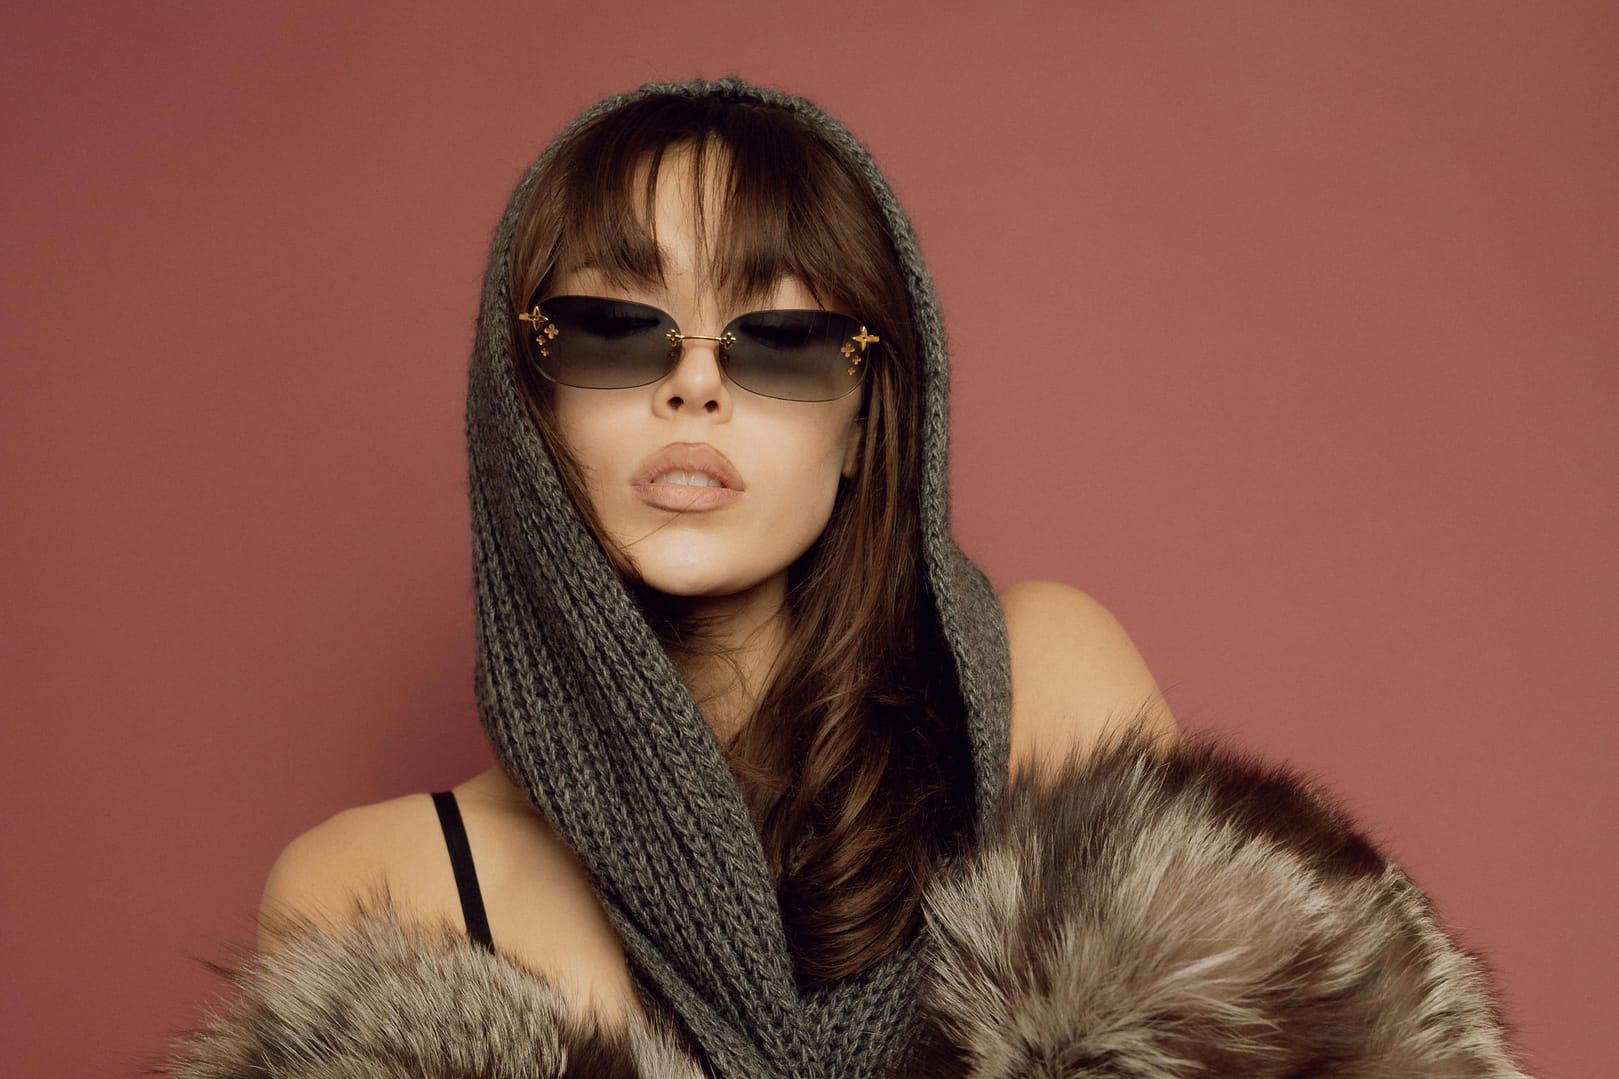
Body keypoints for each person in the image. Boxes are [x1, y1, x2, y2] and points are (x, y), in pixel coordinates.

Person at [164, 79, 1528, 1079]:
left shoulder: (1036, 683)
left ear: (866, 416)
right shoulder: (380, 887)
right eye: (615, 327)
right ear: (524, 400)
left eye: (782, 338)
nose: (695, 383)